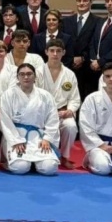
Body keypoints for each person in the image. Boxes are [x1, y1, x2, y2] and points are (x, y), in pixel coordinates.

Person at [0, 64, 60, 176]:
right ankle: (27, 163)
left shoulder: (45, 96)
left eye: (29, 74)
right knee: (20, 167)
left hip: (38, 138)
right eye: (22, 74)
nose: (26, 77)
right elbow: (4, 120)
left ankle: (35, 164)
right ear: (17, 77)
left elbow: (53, 119)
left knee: (50, 168)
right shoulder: (8, 95)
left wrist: (47, 138)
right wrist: (15, 140)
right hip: (16, 136)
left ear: (35, 76)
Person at [37, 39, 81, 169]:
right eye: (52, 51)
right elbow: (33, 95)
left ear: (64, 53)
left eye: (58, 51)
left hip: (62, 112)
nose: (55, 54)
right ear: (46, 52)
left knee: (70, 126)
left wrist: (70, 110)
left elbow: (75, 98)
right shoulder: (38, 72)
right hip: (42, 114)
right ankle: (39, 153)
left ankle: (65, 157)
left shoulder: (69, 74)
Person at [63, 0, 99, 101]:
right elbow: (63, 42)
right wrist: (72, 58)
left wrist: (83, 58)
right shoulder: (66, 21)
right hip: (70, 65)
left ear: (90, 3)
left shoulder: (98, 21)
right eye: (79, 1)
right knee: (69, 97)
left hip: (88, 67)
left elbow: (95, 43)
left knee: (87, 99)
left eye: (85, 1)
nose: (81, 3)